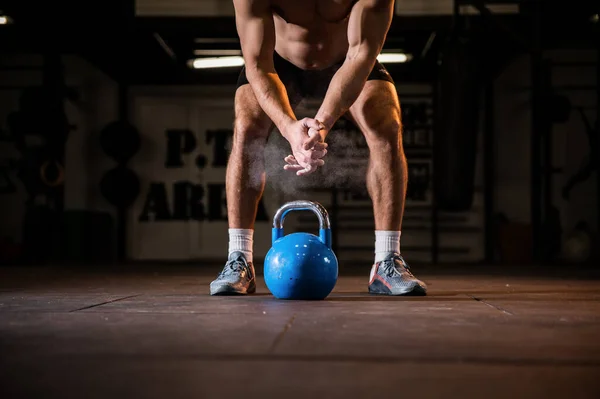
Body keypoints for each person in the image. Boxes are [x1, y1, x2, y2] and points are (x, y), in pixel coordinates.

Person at [210, 0, 427, 296]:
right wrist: (289, 128)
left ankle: (387, 261)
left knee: (387, 123)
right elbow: (258, 64)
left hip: (347, 61)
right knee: (247, 126)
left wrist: (321, 124)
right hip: (276, 64)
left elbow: (361, 54)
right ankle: (239, 260)